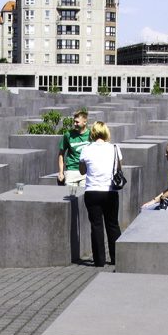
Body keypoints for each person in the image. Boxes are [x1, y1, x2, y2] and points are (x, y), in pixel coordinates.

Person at [79, 121, 122, 267]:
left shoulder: (86, 149)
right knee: (113, 225)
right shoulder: (114, 148)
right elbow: (118, 168)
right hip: (110, 191)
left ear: (93, 132)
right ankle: (116, 258)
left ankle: (99, 260)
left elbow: (82, 171)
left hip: (92, 191)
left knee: (96, 225)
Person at [57, 109, 91, 196]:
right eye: (74, 122)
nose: (74, 124)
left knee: (83, 198)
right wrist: (61, 172)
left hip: (86, 172)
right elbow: (61, 153)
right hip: (71, 171)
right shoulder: (68, 135)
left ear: (85, 122)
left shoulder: (91, 135)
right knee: (70, 198)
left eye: (77, 122)